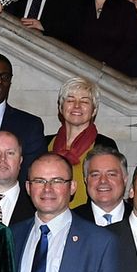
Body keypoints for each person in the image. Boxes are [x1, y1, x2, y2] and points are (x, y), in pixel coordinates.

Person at [45, 79, 118, 209]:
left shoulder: (105, 145)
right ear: (61, 107)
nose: (77, 106)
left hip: (89, 221)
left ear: (94, 110)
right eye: (70, 100)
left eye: (84, 101)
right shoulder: (44, 143)